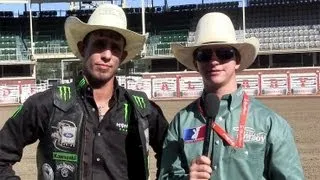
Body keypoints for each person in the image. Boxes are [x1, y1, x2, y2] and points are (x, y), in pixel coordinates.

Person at [0, 4, 168, 180]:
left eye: (115, 47)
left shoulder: (143, 111)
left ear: (123, 56)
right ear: (82, 48)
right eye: (99, 44)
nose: (107, 55)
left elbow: (174, 159)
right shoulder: (47, 103)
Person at [158, 12, 304, 180]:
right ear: (196, 63)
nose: (214, 61)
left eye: (224, 53)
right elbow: (166, 176)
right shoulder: (180, 122)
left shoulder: (270, 123)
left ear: (238, 60)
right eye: (204, 55)